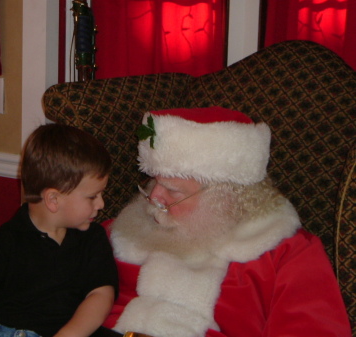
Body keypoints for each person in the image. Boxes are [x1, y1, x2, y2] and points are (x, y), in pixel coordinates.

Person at [100, 107, 352, 337]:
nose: (154, 197)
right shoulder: (122, 230)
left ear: (223, 196)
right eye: (153, 181)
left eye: (172, 190)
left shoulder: (286, 254)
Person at [0, 124, 119, 337]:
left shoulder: (92, 238)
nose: (101, 204)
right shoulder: (3, 244)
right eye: (92, 197)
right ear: (53, 199)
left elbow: (101, 294)